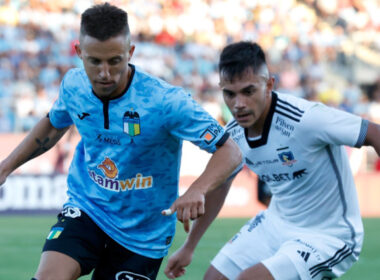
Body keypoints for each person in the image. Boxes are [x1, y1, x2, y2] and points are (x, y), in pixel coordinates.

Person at [0, 4, 242, 280]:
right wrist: (6, 166)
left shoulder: (165, 101)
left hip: (143, 235)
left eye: (115, 61)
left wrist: (198, 189)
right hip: (88, 208)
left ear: (131, 52)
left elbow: (231, 151)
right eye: (94, 61)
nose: (105, 73)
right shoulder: (74, 85)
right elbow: (54, 124)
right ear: (79, 52)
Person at [164, 41, 380, 280]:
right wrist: (189, 246)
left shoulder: (305, 119)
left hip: (329, 235)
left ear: (268, 84)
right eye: (230, 94)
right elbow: (220, 183)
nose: (239, 104)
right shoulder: (234, 135)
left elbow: (374, 133)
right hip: (276, 224)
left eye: (248, 91)